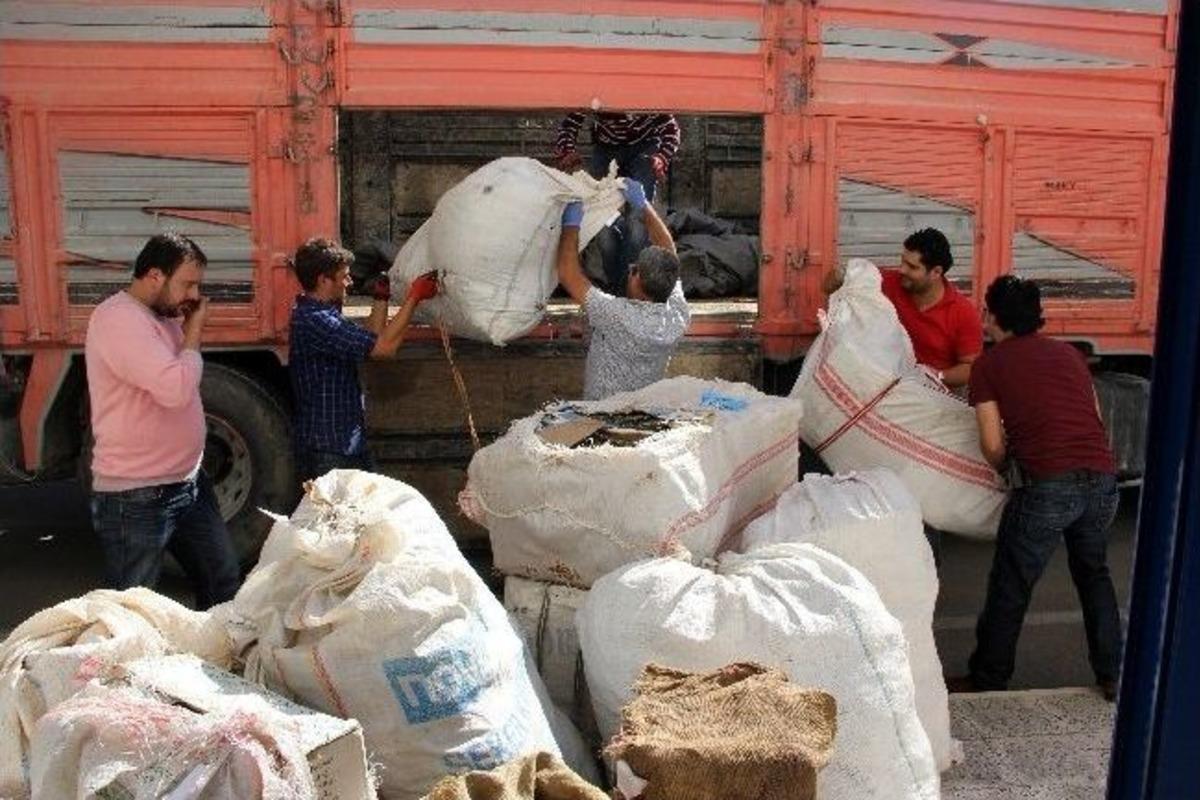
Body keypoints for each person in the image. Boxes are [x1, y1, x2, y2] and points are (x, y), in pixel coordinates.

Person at [950, 275, 1122, 700]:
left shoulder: (989, 366)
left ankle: (988, 678)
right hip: (1101, 479)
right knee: (1094, 575)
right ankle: (1113, 673)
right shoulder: (1069, 355)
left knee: (1012, 582)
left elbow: (992, 444)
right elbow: (1095, 419)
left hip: (1046, 483)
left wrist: (1011, 467)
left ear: (992, 317)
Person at [84, 232, 240, 609]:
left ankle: (215, 662)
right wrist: (194, 332)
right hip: (137, 493)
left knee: (223, 582)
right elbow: (174, 387)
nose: (194, 295)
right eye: (187, 283)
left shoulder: (163, 315)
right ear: (155, 276)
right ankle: (125, 669)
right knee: (134, 608)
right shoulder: (119, 320)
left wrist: (184, 328)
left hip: (187, 482)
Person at [288, 237, 438, 481]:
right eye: (343, 276)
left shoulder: (322, 314)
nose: (349, 282)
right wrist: (414, 298)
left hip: (347, 441)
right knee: (339, 518)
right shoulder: (316, 321)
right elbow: (383, 349)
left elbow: (368, 339)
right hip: (330, 448)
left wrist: (381, 299)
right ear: (323, 280)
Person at [556, 181, 690, 400]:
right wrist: (644, 205)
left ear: (641, 286)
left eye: (635, 270)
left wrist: (571, 225)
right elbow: (669, 254)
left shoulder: (616, 315)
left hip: (602, 413)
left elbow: (567, 273)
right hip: (641, 410)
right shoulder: (677, 315)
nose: (630, 268)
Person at [823, 227, 982, 389]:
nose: (902, 270)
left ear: (936, 272)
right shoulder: (886, 282)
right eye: (903, 261)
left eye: (912, 267)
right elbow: (828, 286)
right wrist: (844, 274)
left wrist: (935, 376)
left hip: (934, 395)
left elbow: (970, 368)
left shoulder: (962, 312)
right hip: (882, 385)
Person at [553, 110, 681, 293]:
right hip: (607, 147)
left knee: (637, 222)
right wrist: (567, 150)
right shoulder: (601, 88)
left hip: (645, 146)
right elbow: (572, 119)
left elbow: (670, 127)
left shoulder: (646, 93)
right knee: (603, 223)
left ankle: (625, 288)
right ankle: (619, 285)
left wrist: (662, 156)